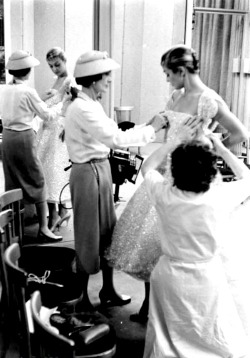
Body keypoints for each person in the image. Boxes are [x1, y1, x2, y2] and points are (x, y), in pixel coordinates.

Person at [106, 44, 249, 323]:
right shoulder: (175, 95)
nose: (167, 79)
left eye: (168, 73)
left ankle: (179, 311)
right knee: (152, 242)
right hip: (168, 171)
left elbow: (239, 133)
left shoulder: (209, 100)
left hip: (192, 176)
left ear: (182, 71)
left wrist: (209, 146)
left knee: (175, 242)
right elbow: (164, 128)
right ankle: (150, 304)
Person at [64, 50, 166, 311]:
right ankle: (82, 295)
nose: (109, 83)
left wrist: (147, 126)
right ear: (95, 79)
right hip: (88, 172)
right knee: (88, 234)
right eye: (107, 78)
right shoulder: (82, 108)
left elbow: (113, 132)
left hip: (99, 169)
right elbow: (115, 140)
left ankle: (108, 289)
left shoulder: (91, 104)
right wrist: (152, 128)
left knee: (108, 232)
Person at [142, 129, 250, 358]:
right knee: (209, 334)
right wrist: (221, 148)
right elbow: (248, 178)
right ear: (212, 170)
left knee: (167, 336)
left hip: (169, 275)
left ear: (175, 168)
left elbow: (147, 168)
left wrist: (173, 141)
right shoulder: (220, 197)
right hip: (207, 276)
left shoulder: (164, 195)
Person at [0, 50, 64, 242]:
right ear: (27, 71)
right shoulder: (28, 91)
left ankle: (14, 228)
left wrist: (40, 102)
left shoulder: (4, 89)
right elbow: (48, 116)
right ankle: (44, 228)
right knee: (37, 180)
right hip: (24, 138)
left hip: (7, 138)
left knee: (12, 182)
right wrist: (63, 102)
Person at [36, 47, 73, 231]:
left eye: (57, 65)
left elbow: (71, 106)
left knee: (54, 171)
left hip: (58, 129)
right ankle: (57, 212)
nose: (55, 69)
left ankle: (59, 212)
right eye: (51, 66)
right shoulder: (56, 80)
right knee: (46, 172)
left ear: (65, 61)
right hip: (47, 129)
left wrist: (66, 126)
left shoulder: (69, 81)